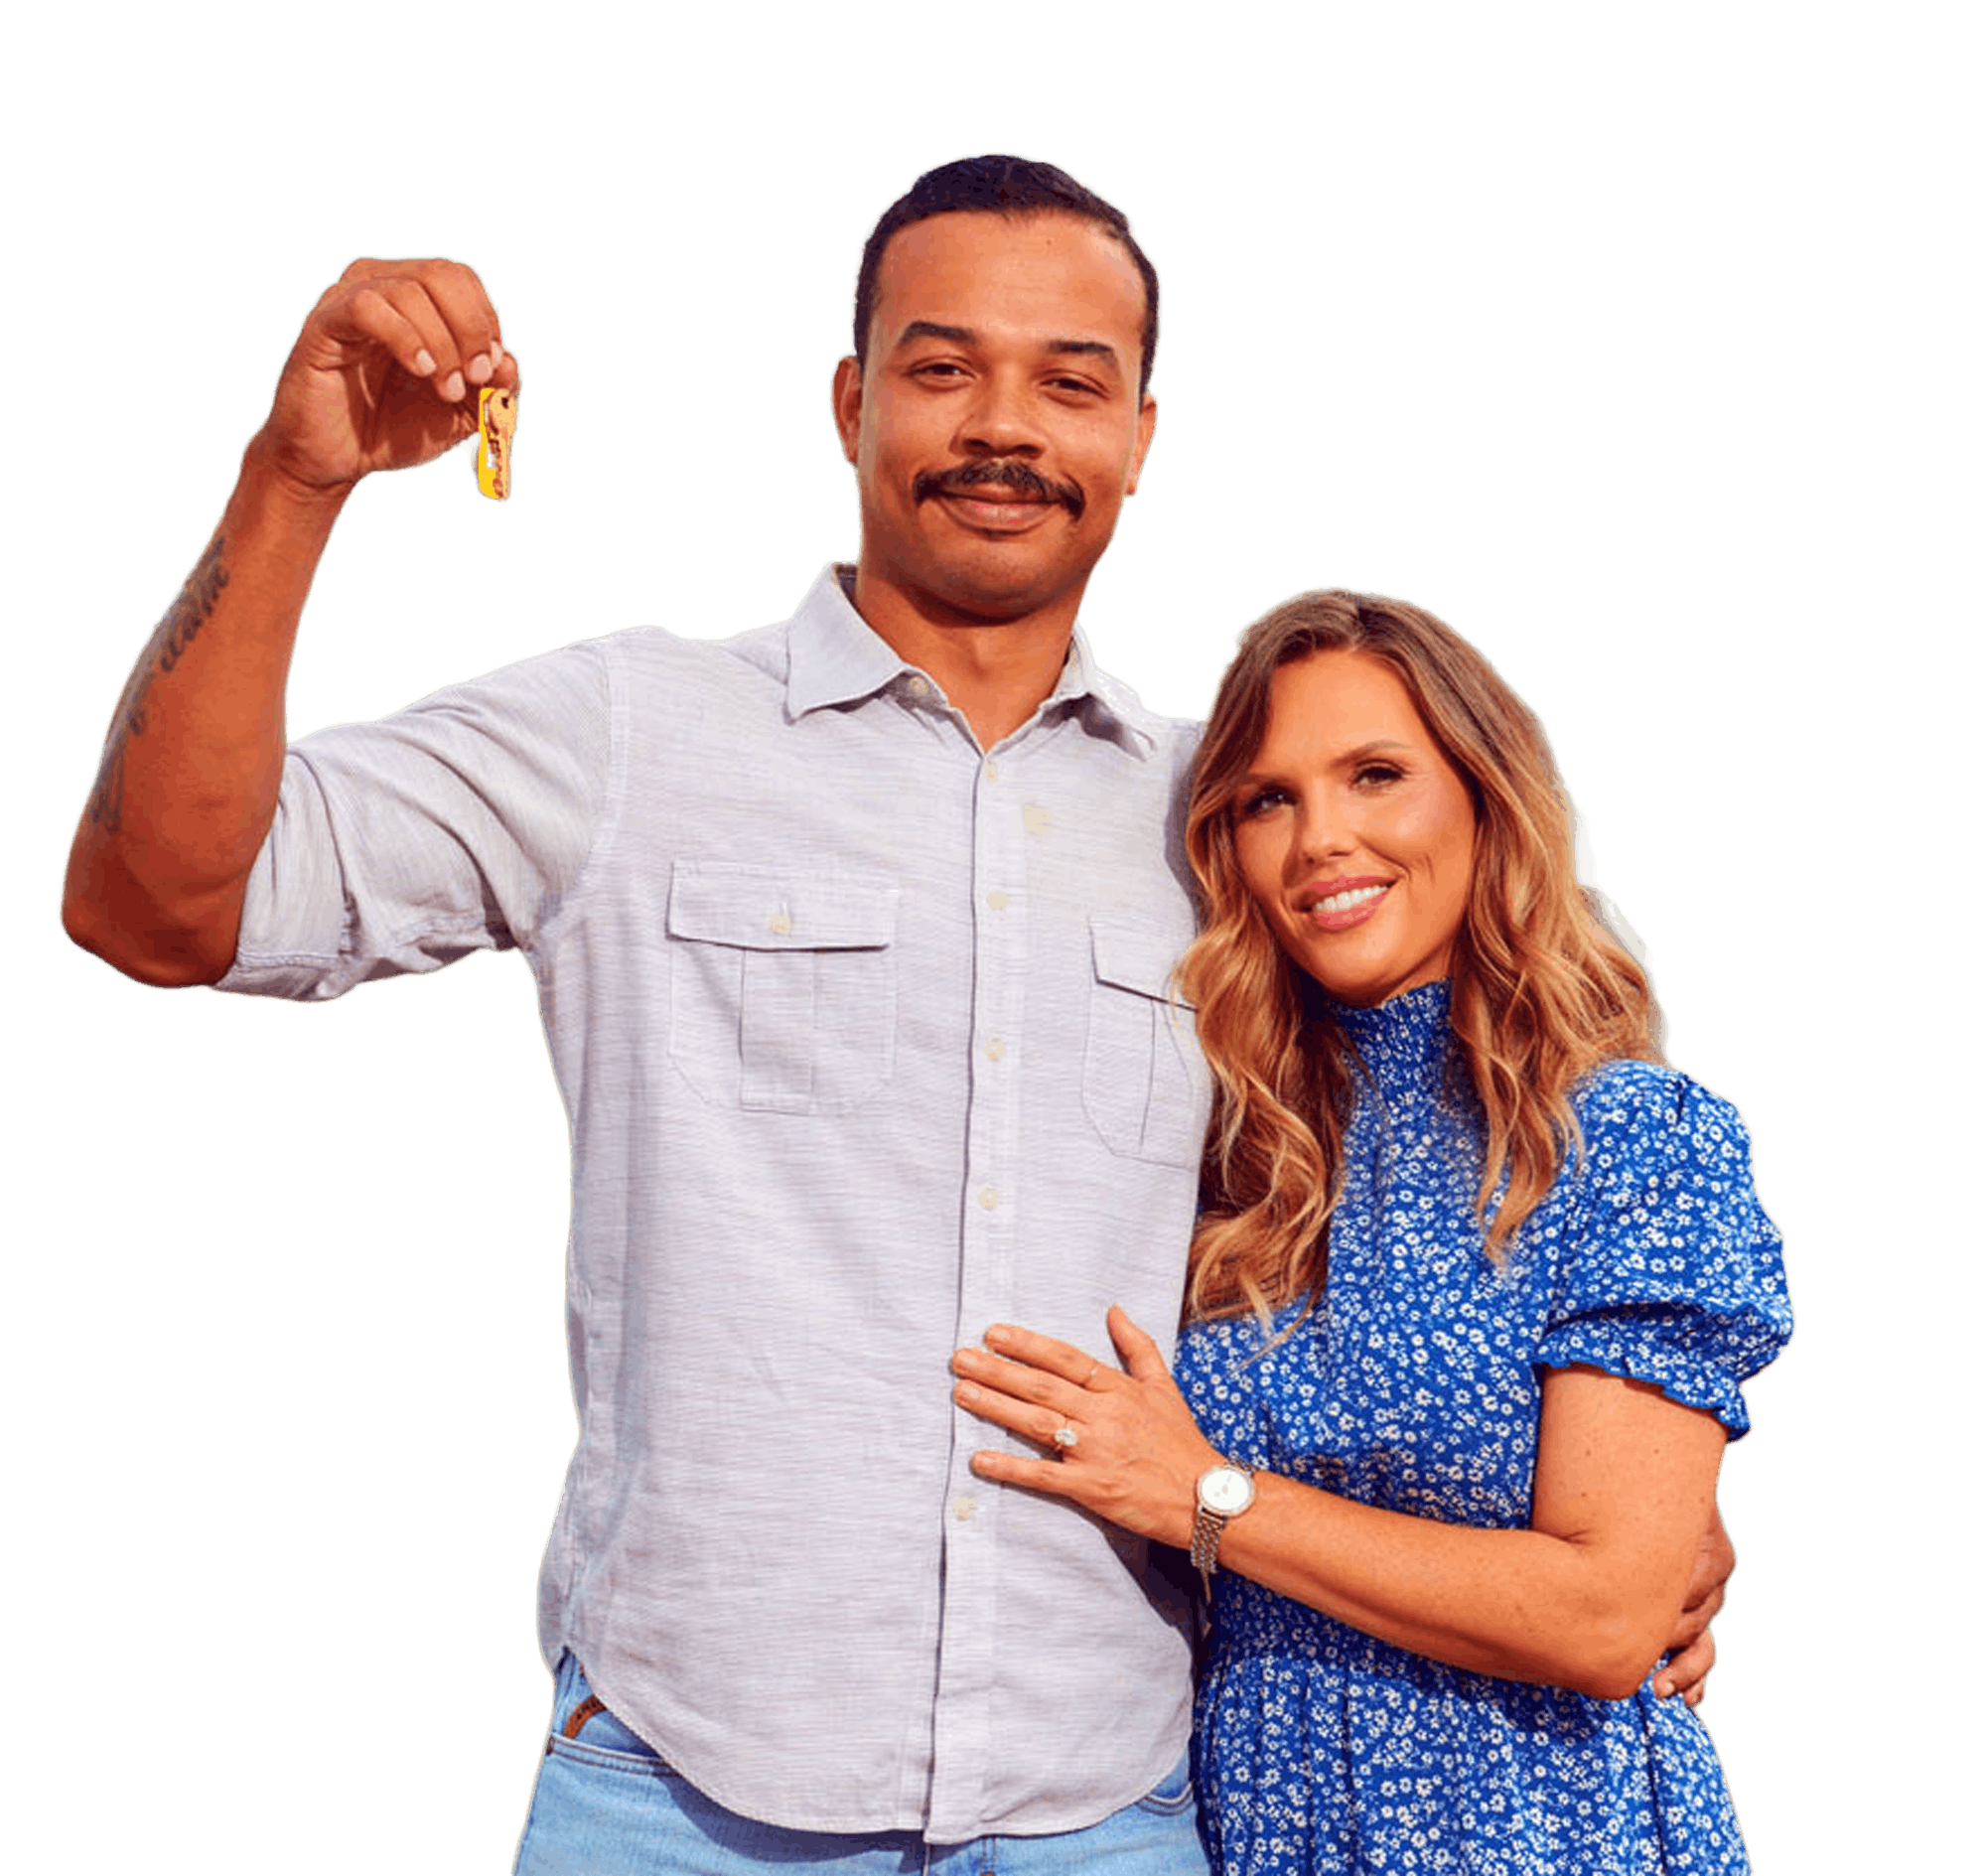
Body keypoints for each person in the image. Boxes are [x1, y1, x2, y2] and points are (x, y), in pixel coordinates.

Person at [60, 159, 1737, 1871]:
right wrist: (295, 480)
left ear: (1142, 436)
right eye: (942, 368)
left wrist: (1634, 1531)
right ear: (851, 402)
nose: (1004, 425)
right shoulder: (629, 731)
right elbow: (157, 908)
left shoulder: (1230, 822)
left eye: (1071, 380)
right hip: (679, 1798)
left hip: (1122, 1816)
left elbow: (1435, 1206)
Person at [950, 585, 1793, 1872]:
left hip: (1540, 1828)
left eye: (1375, 775)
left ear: (1481, 793)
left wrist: (1208, 1498)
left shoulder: (1628, 1139)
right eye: (1267, 800)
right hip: (1252, 1821)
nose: (1320, 840)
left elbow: (1606, 1616)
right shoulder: (1222, 1146)